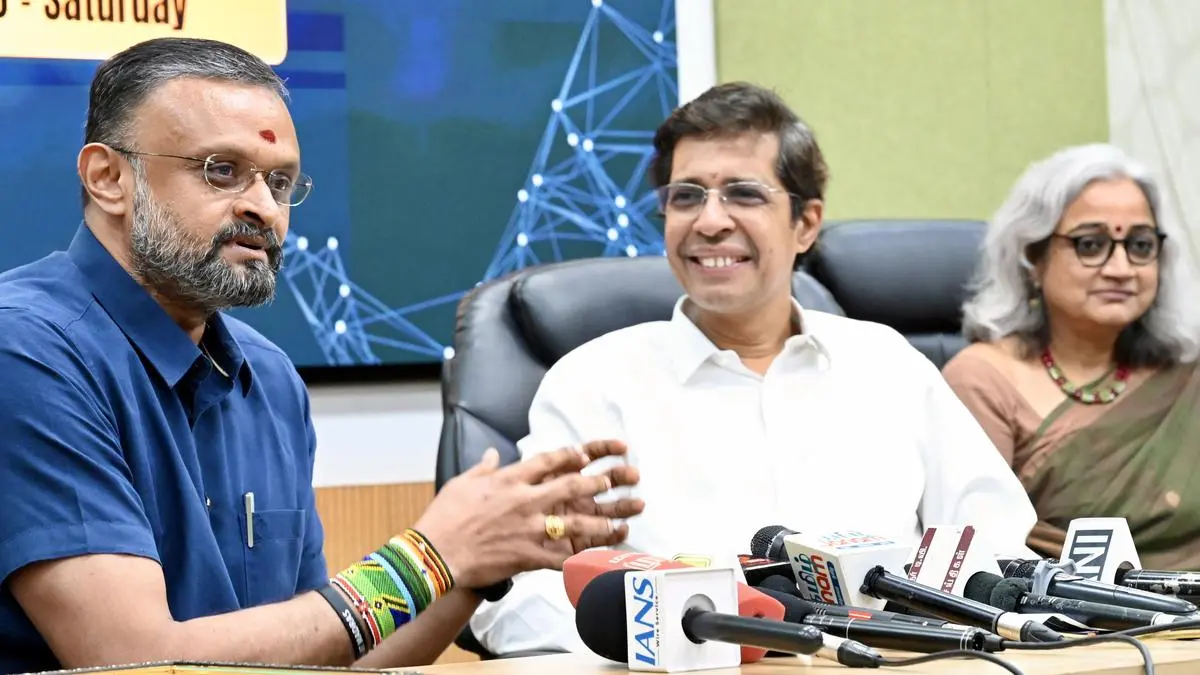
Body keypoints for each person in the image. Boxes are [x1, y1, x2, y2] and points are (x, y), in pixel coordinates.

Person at [0, 37, 643, 674]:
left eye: (280, 182)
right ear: (109, 179)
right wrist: (429, 558)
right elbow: (130, 661)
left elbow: (331, 653)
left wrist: (477, 564)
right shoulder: (26, 349)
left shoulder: (270, 378)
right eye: (221, 170)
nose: (263, 208)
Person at [468, 81, 1039, 656]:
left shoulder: (888, 365)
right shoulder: (592, 384)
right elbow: (517, 599)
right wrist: (673, 636)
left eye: (743, 194)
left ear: (806, 223)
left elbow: (996, 553)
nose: (710, 221)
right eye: (686, 196)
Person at [943, 143, 1200, 568]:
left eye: (1140, 245)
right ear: (1033, 258)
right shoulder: (983, 380)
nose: (1121, 269)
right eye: (1090, 244)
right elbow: (979, 554)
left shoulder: (1185, 371)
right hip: (1074, 608)